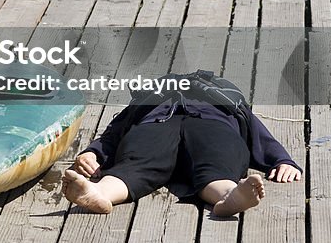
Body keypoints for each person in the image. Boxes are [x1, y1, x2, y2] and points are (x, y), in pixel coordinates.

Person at [61, 90, 302, 217]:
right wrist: (93, 153)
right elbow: (116, 131)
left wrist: (281, 159)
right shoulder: (147, 99)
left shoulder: (225, 98)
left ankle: (230, 197)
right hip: (156, 125)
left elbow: (254, 129)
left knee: (216, 161)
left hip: (211, 125)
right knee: (137, 162)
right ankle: (99, 193)